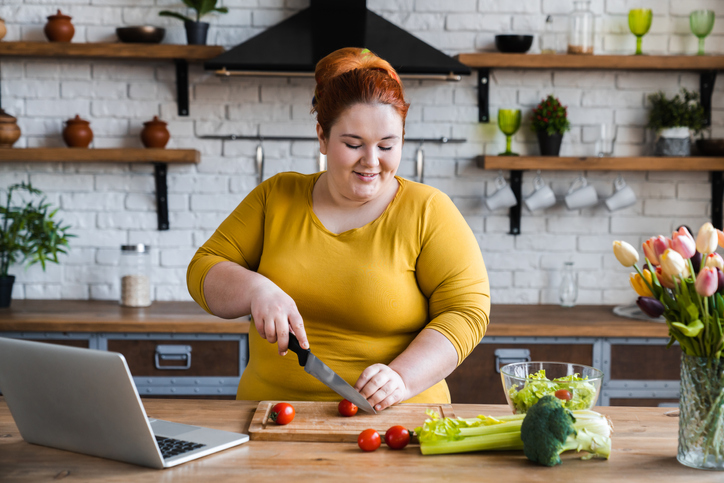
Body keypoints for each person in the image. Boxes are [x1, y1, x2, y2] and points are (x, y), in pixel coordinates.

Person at [187, 47, 490, 411]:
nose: (372, 161)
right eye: (353, 144)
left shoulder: (429, 211)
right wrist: (256, 289)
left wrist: (402, 377)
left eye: (387, 145)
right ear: (322, 137)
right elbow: (203, 267)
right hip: (267, 415)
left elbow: (467, 311)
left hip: (395, 420)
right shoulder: (276, 197)